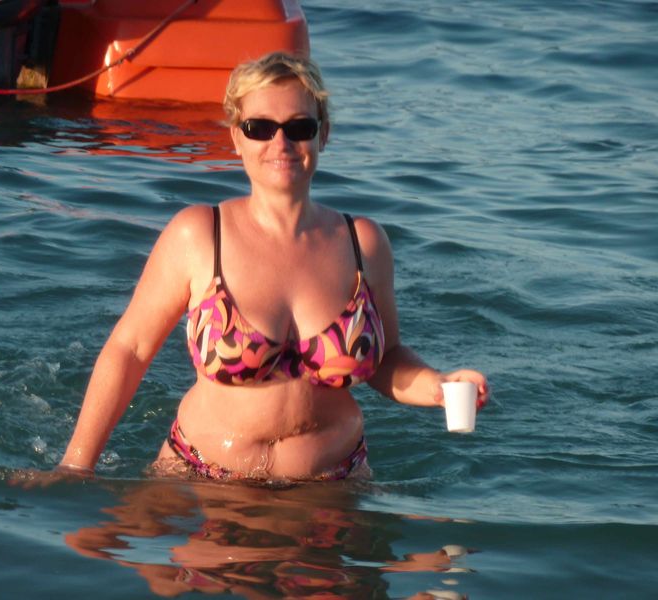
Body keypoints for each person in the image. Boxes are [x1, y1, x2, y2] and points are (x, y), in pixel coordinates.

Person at [56, 52, 488, 482]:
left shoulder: (363, 243)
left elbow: (387, 358)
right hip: (200, 478)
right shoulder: (199, 235)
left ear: (323, 134)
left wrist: (439, 386)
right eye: (259, 128)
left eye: (299, 128)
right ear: (236, 137)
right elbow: (129, 350)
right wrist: (76, 465)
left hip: (331, 485)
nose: (280, 144)